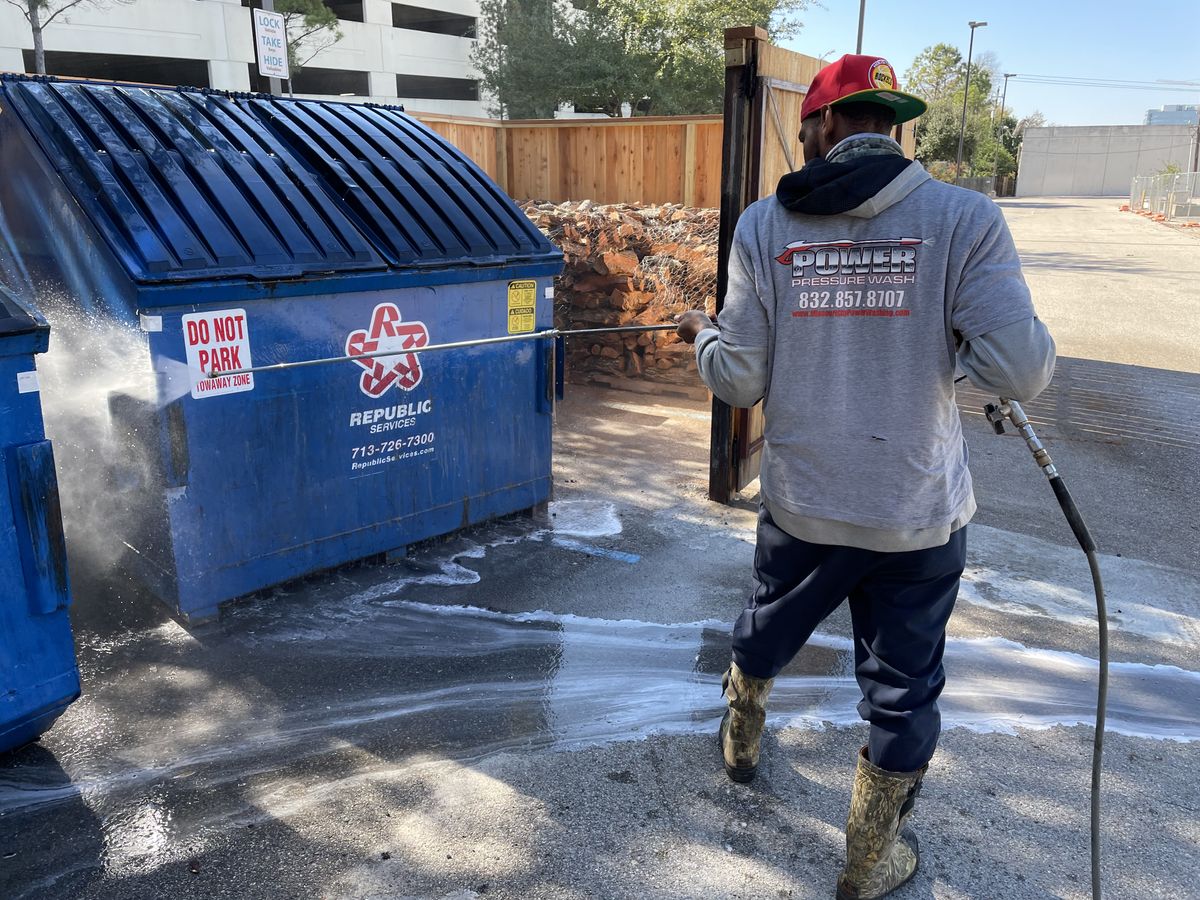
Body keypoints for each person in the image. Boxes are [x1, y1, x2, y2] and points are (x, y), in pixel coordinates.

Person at [676, 53, 1055, 900]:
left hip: (803, 504)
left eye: (809, 126)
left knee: (768, 623)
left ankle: (741, 740)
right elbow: (1019, 368)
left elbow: (738, 379)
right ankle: (867, 858)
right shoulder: (965, 218)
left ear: (821, 126)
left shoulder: (764, 227)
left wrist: (701, 335)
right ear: (890, 126)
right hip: (914, 512)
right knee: (902, 688)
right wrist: (948, 345)